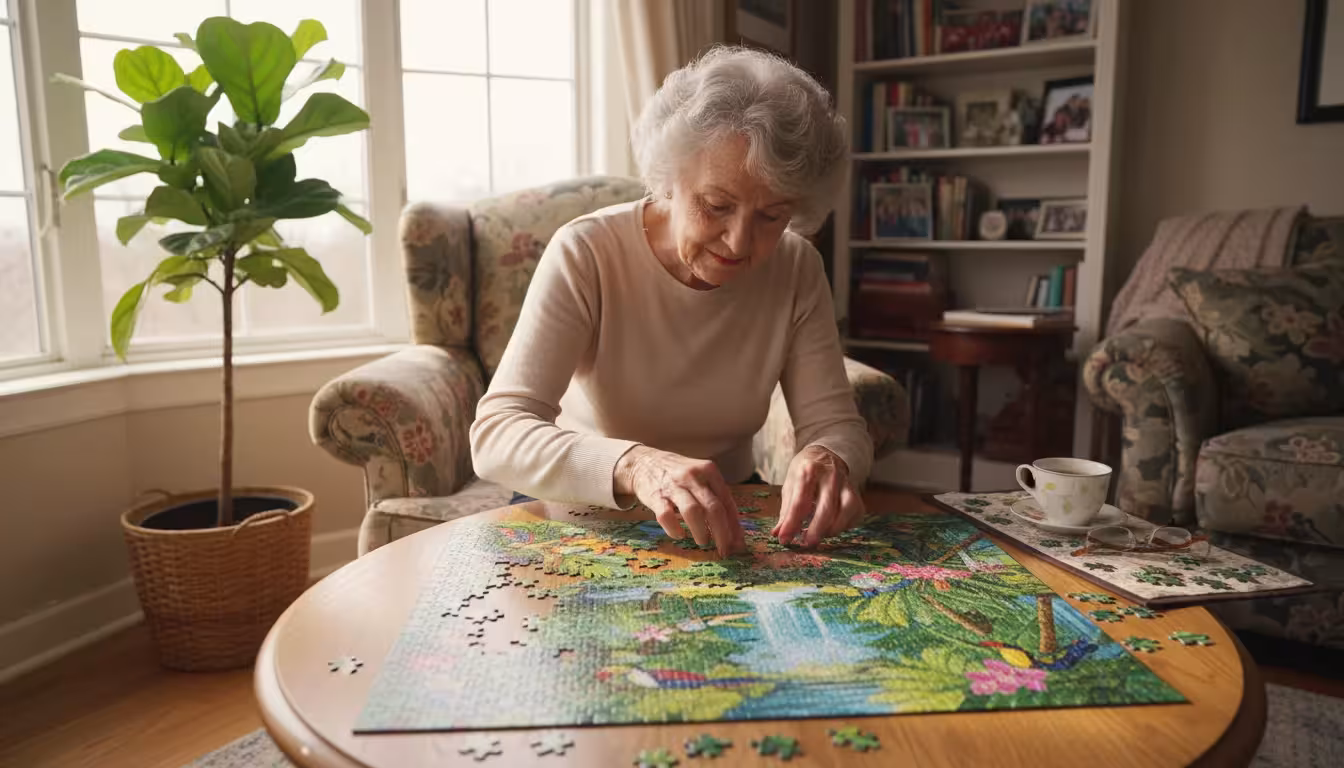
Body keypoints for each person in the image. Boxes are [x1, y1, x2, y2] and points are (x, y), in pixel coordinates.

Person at [470, 47, 873, 557]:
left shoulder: (798, 268)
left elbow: (838, 426)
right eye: (716, 206)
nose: (739, 242)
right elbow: (498, 434)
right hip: (585, 509)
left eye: (772, 216)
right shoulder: (587, 251)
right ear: (668, 181)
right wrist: (639, 466)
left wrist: (829, 455)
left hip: (731, 510)